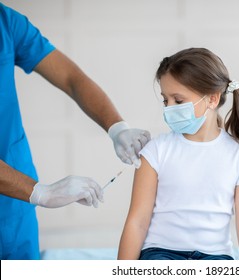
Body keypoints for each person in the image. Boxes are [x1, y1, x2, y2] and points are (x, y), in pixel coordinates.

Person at [0, 3, 150, 260]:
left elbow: (71, 77)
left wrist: (116, 128)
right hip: (22, 187)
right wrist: (41, 192)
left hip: (13, 197)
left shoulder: (5, 21)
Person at [117, 48, 239, 260]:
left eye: (178, 100)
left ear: (212, 99)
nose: (169, 108)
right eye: (165, 100)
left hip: (215, 257)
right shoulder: (156, 151)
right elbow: (137, 221)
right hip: (161, 253)